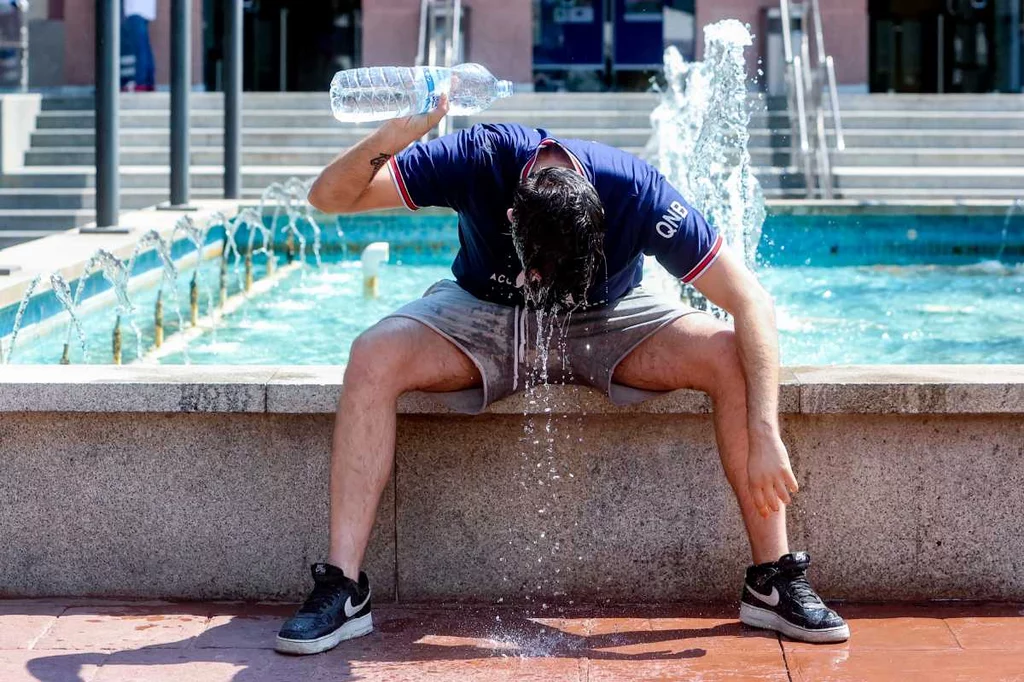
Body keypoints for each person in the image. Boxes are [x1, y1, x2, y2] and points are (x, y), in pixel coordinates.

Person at [275, 97, 850, 655]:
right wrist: (393, 138)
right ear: (512, 221)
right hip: (487, 311)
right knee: (372, 353)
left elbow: (751, 302)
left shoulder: (638, 193)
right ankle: (343, 589)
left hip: (608, 318)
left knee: (729, 352)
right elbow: (329, 197)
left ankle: (772, 580)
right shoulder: (477, 157)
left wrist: (766, 431)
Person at [122, 0, 156, 91]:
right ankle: (148, 81)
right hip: (142, 8)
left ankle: (141, 81)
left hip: (136, 9)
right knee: (143, 45)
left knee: (140, 46)